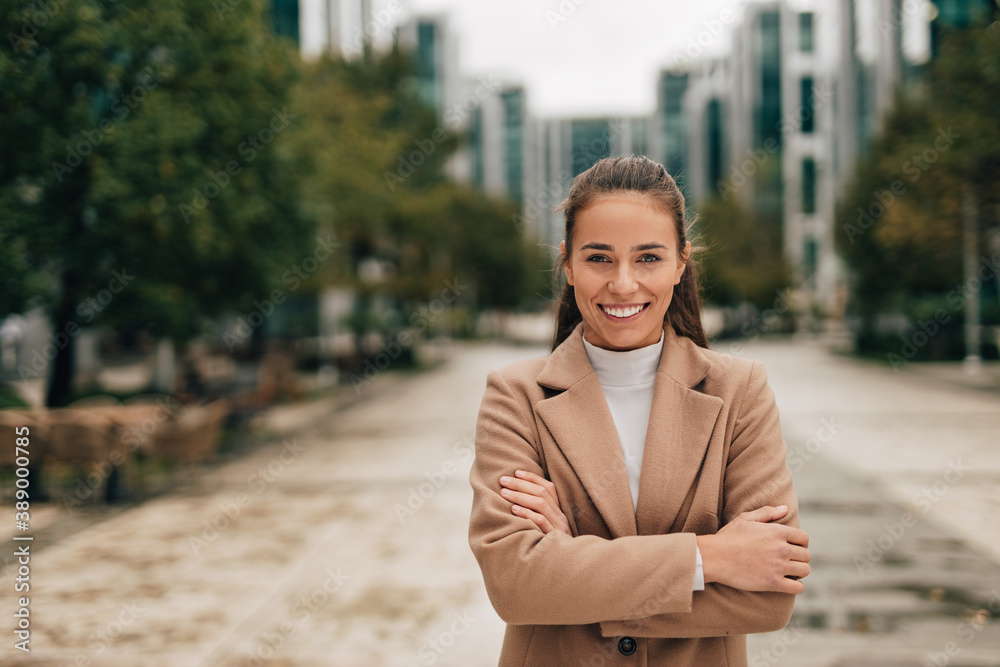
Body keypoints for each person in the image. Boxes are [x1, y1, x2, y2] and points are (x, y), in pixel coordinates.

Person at [468, 156, 810, 666]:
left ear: (680, 263)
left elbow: (769, 596)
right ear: (567, 263)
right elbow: (516, 586)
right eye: (599, 258)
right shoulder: (516, 395)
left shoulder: (740, 391)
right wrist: (709, 557)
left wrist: (572, 571)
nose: (623, 284)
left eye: (648, 258)